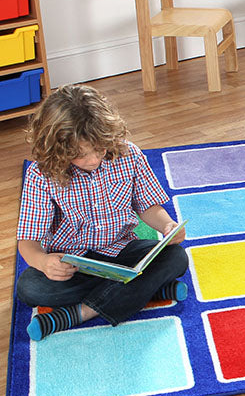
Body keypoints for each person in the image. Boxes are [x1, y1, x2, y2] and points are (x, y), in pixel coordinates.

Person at [16, 84, 188, 341]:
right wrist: (44, 262)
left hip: (123, 252)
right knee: (30, 288)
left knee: (176, 257)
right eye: (81, 155)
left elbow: (149, 206)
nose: (94, 160)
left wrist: (167, 225)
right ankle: (149, 291)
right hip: (75, 264)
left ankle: (80, 313)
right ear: (57, 149)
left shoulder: (128, 154)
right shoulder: (41, 175)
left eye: (99, 149)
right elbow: (28, 243)